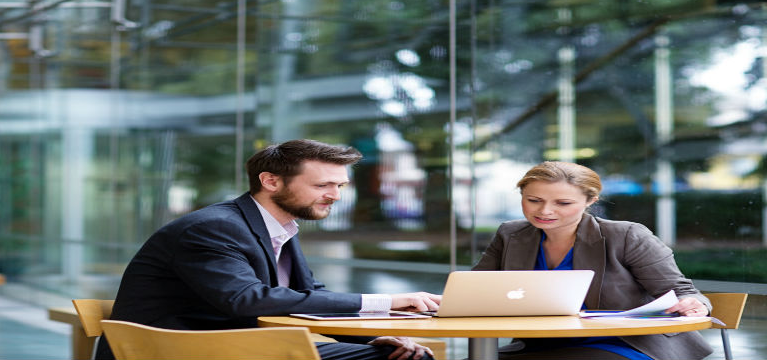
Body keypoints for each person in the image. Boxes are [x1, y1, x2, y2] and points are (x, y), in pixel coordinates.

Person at [95, 139, 442, 360]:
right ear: (271, 181)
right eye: (323, 184)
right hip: (180, 351)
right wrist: (385, 301)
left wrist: (372, 335)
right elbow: (249, 299)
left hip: (234, 346)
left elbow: (304, 295)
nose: (335, 195)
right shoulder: (213, 228)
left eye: (339, 185)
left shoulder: (278, 228)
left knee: (401, 353)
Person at [472, 161, 713, 360]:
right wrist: (442, 301)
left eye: (563, 203)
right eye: (534, 200)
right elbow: (476, 289)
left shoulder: (626, 235)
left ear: (590, 201)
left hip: (625, 345)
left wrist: (694, 304)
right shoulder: (510, 234)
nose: (545, 211)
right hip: (542, 345)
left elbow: (681, 291)